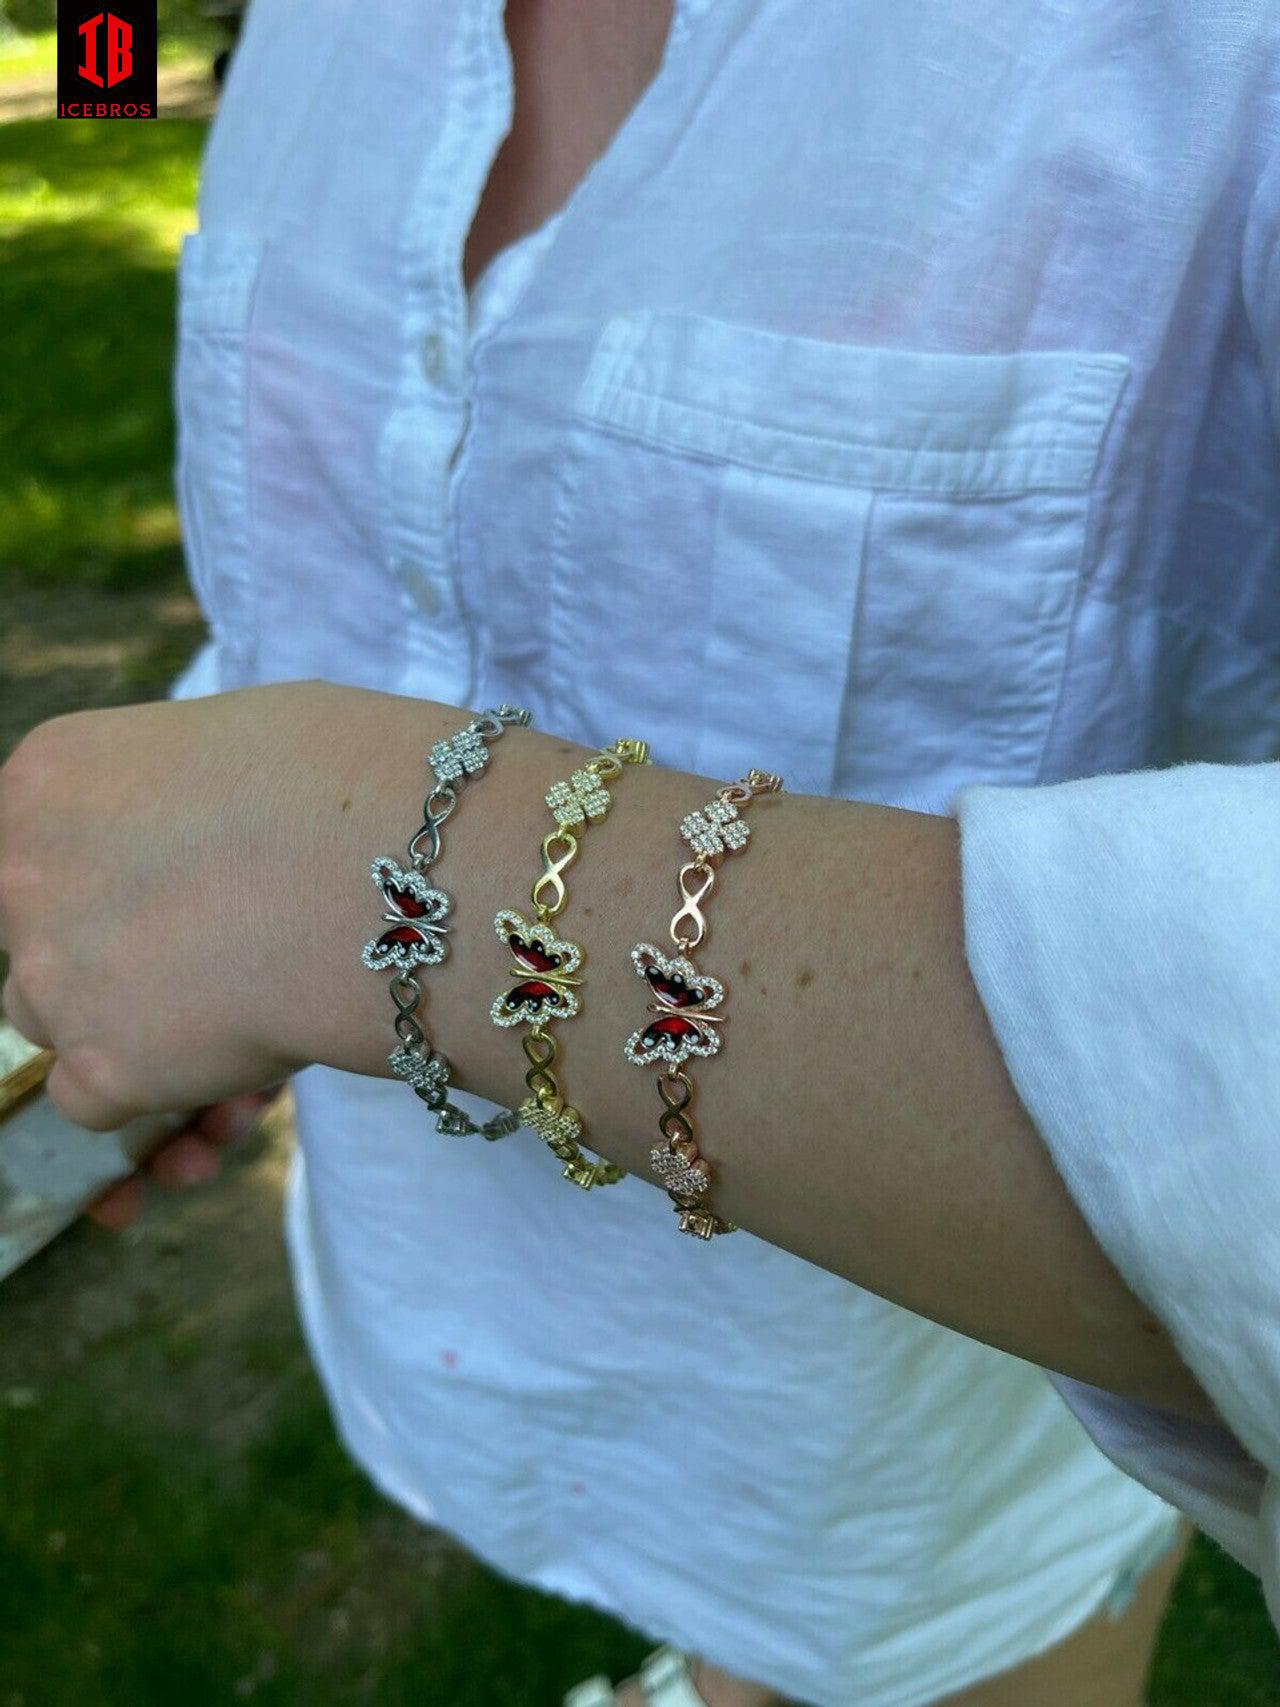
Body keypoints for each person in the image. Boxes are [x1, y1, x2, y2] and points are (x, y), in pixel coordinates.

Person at [3, 2, 1279, 1703]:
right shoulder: (325, 33)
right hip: (431, 1348)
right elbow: (327, 580)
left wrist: (358, 893)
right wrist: (181, 921)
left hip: (922, 1520)